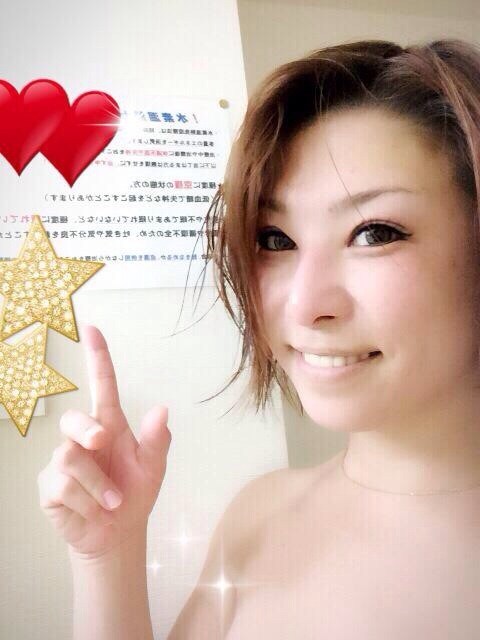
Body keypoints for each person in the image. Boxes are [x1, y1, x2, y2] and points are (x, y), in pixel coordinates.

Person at [37, 37, 480, 639]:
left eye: (374, 233)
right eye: (275, 240)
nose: (303, 305)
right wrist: (107, 555)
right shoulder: (260, 512)